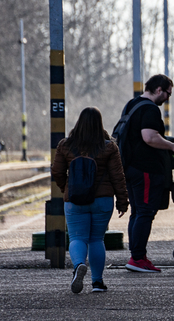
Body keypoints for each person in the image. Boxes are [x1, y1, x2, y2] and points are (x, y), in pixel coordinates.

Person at [51, 107, 129, 293]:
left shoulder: (65, 145)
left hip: (75, 200)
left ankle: (79, 265)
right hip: (102, 200)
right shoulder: (109, 146)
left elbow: (57, 172)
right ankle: (97, 283)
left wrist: (66, 188)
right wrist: (123, 201)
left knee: (77, 237)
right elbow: (118, 176)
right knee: (96, 239)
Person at [119, 74, 174, 273]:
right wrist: (171, 146)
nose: (167, 98)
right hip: (145, 168)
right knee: (145, 212)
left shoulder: (132, 105)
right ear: (158, 90)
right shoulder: (150, 109)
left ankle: (137, 255)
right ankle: (137, 258)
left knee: (138, 212)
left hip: (130, 167)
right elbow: (149, 137)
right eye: (167, 94)